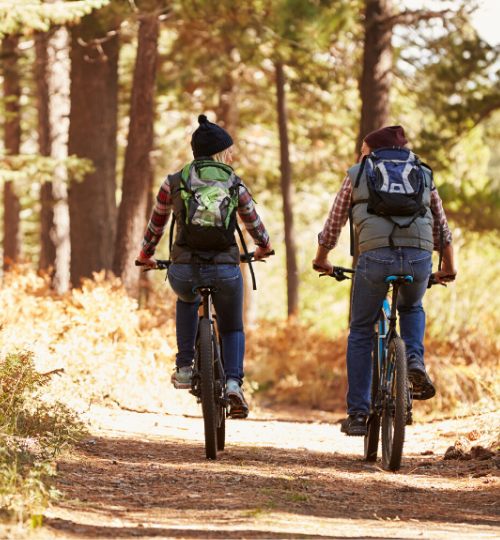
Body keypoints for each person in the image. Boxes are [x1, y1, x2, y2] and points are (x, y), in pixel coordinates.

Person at [313, 126, 457, 436]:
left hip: (375, 259)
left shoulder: (357, 173)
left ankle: (358, 415)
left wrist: (322, 258)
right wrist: (448, 267)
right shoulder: (423, 173)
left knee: (362, 330)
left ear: (373, 151)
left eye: (362, 150)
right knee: (412, 306)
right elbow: (441, 227)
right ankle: (414, 360)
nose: (359, 155)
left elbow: (335, 221)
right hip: (419, 258)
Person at [137, 114, 272, 416]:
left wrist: (146, 255)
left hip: (184, 268)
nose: (232, 155)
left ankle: (184, 367)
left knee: (186, 299)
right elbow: (253, 223)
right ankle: (235, 383)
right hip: (226, 267)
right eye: (229, 150)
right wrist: (264, 247)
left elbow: (156, 227)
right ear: (220, 152)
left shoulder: (175, 181)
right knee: (233, 327)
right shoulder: (234, 182)